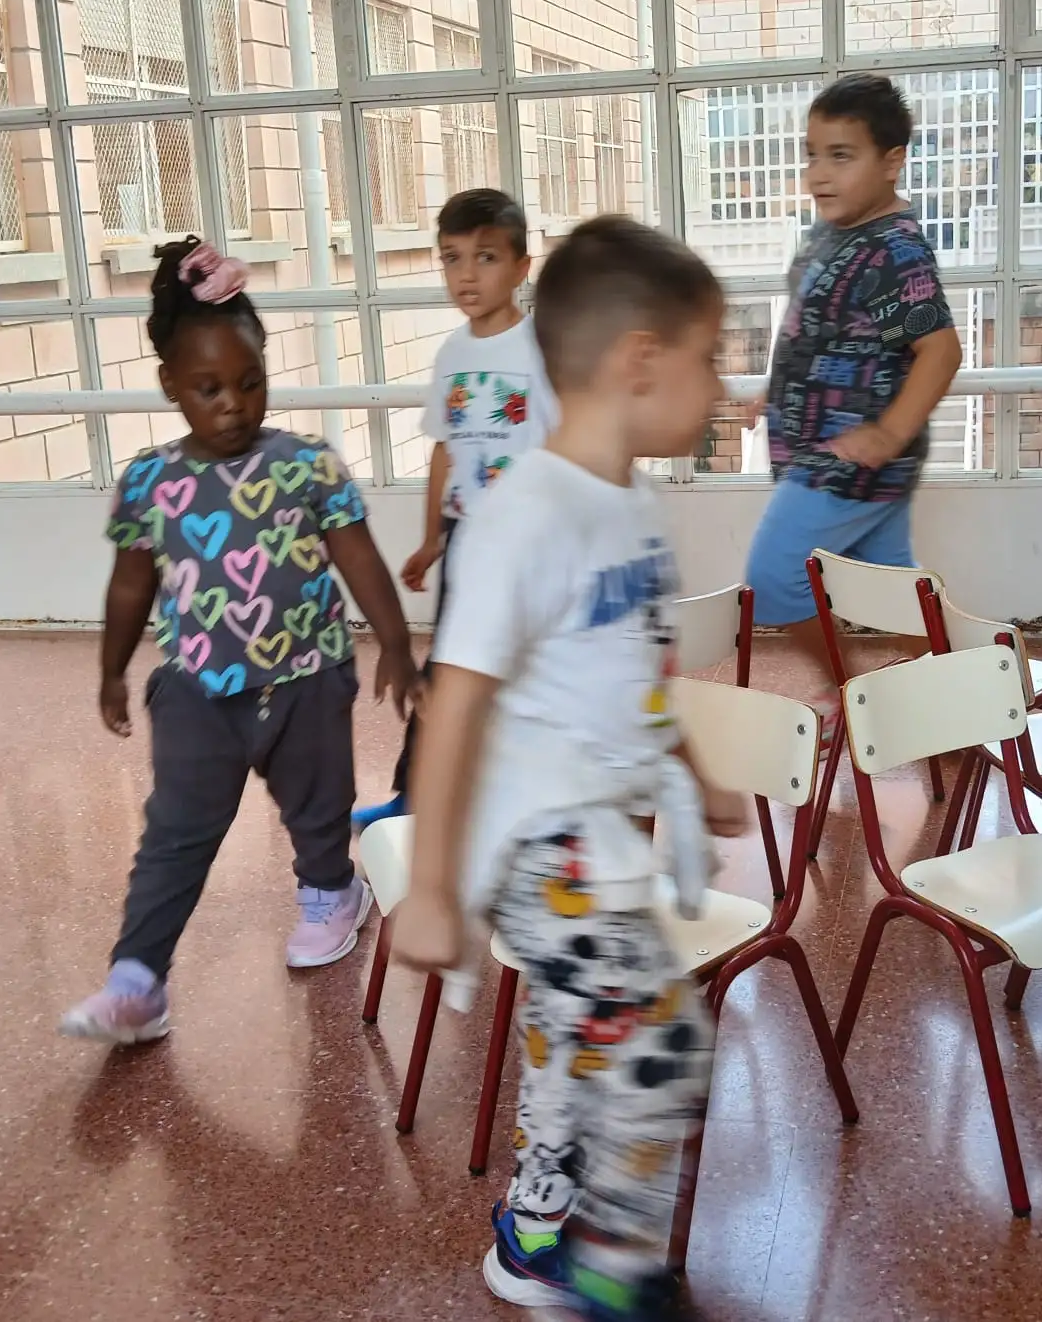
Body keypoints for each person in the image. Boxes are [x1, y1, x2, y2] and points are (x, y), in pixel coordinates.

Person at [390, 216, 747, 1321]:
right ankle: (614, 1272)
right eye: (709, 358)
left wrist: (695, 769)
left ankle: (537, 1228)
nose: (723, 387)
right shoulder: (525, 514)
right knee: (663, 1040)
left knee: (571, 1035)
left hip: (599, 832)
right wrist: (433, 889)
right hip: (538, 840)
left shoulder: (631, 507)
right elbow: (456, 704)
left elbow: (638, 668)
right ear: (641, 360)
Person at [60, 240, 418, 1045]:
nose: (233, 405)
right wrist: (112, 670)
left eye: (250, 382)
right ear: (170, 385)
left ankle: (332, 893)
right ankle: (137, 980)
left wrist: (395, 643)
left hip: (307, 679)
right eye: (209, 388)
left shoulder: (307, 465)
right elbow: (130, 585)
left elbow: (357, 556)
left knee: (317, 810)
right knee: (174, 834)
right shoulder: (150, 481)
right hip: (196, 690)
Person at [744, 73, 962, 702]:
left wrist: (888, 433)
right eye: (812, 154)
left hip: (847, 461)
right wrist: (777, 392)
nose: (819, 174)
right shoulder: (837, 230)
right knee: (893, 592)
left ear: (892, 162)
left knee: (772, 577)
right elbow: (817, 326)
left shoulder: (894, 249)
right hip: (841, 454)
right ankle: (967, 700)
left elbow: (940, 351)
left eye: (841, 156)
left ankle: (852, 692)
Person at [353, 188, 558, 830]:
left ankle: (526, 801)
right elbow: (446, 451)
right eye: (452, 258)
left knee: (525, 674)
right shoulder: (452, 354)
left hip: (528, 546)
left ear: (521, 267)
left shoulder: (542, 351)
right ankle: (414, 797)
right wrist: (431, 539)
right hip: (467, 540)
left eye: (486, 257)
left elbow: (565, 449)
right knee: (446, 669)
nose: (467, 274)